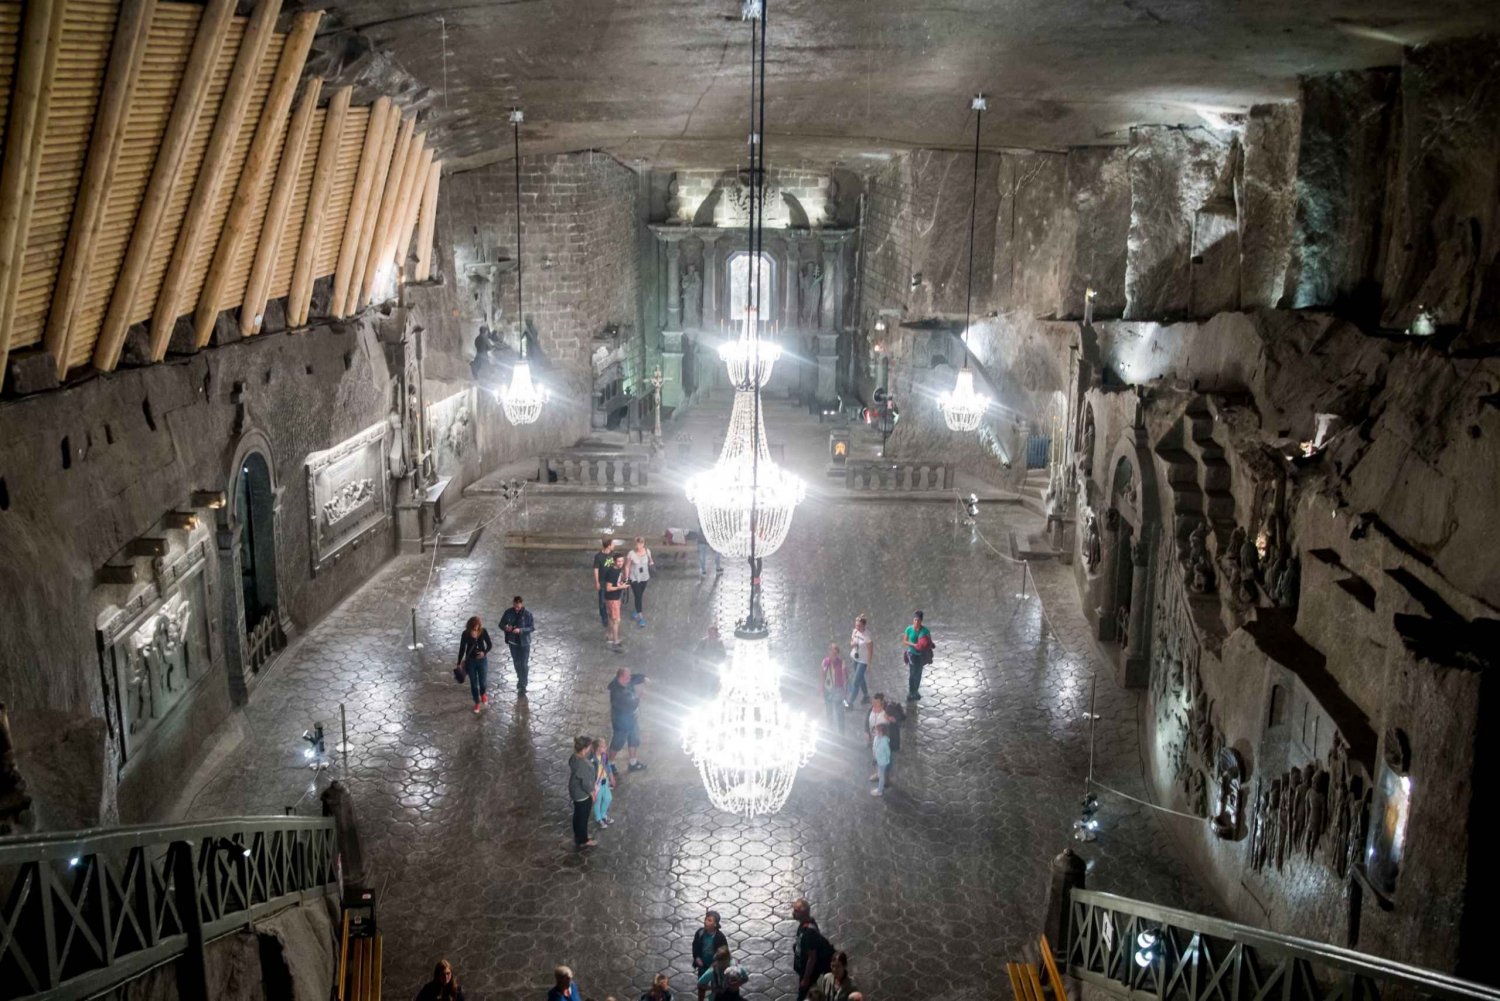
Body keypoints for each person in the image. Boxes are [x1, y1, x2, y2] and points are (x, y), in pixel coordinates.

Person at [790, 898, 833, 1001]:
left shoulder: (809, 932)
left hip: (809, 972)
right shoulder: (805, 924)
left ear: (803, 913)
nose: (793, 913)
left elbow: (812, 958)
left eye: (796, 911)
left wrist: (806, 978)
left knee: (803, 995)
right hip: (805, 969)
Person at [608, 668, 648, 771]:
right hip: (621, 722)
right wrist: (639, 696)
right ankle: (609, 764)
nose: (630, 678)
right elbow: (631, 705)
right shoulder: (617, 692)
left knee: (634, 738)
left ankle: (633, 763)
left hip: (631, 718)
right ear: (622, 677)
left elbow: (634, 678)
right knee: (618, 742)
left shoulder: (625, 681)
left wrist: (643, 678)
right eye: (628, 676)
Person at [498, 595, 534, 698]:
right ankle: (520, 678)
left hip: (525, 643)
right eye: (515, 606)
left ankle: (523, 682)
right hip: (513, 643)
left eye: (518, 606)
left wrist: (521, 630)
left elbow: (531, 628)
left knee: (524, 663)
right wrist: (506, 628)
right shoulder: (508, 612)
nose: (516, 608)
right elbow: (501, 624)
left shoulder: (527, 614)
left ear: (521, 604)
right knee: (517, 662)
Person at [455, 617, 492, 714]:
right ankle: (476, 702)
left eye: (478, 625)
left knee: (482, 681)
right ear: (470, 626)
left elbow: (489, 645)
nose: (476, 628)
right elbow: (462, 648)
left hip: (482, 661)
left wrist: (484, 652)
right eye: (475, 626)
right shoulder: (465, 634)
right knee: (474, 684)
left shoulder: (483, 632)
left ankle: (483, 693)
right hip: (470, 662)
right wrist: (459, 662)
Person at [568, 736, 597, 849]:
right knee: (583, 817)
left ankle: (579, 835)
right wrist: (592, 793)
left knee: (578, 815)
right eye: (589, 747)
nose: (590, 749)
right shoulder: (583, 764)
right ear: (584, 749)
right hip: (582, 794)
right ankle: (583, 840)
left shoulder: (574, 757)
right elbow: (585, 784)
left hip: (574, 790)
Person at [901, 610, 934, 701]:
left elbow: (928, 641)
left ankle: (915, 691)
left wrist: (930, 644)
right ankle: (911, 692)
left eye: (918, 620)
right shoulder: (909, 629)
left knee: (918, 674)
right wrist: (914, 645)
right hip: (912, 653)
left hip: (921, 655)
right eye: (915, 620)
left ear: (921, 621)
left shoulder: (925, 631)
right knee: (912, 673)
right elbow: (904, 641)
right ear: (913, 620)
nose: (916, 622)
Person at [625, 536, 655, 628]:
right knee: (638, 595)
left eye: (641, 543)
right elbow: (627, 566)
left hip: (644, 577)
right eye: (638, 544)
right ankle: (640, 616)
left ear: (643, 544)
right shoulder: (631, 554)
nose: (639, 545)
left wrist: (651, 563)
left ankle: (636, 609)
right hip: (634, 578)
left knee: (639, 595)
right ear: (635, 544)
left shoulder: (647, 551)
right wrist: (626, 579)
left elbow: (651, 561)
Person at [844, 615, 872, 709]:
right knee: (861, 678)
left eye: (859, 626)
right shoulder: (855, 631)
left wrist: (869, 664)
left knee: (856, 682)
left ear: (864, 625)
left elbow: (870, 651)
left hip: (863, 661)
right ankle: (866, 696)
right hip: (854, 658)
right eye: (856, 625)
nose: (857, 627)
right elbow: (851, 643)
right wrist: (854, 644)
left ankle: (850, 702)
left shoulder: (867, 636)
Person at [691, 910, 729, 980]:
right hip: (702, 965)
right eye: (705, 919)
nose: (705, 922)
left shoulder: (720, 937)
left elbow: (725, 953)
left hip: (715, 966)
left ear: (715, 924)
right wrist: (697, 957)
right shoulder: (700, 933)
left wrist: (718, 963)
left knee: (716, 984)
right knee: (701, 984)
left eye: (709, 920)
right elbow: (695, 946)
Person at [601, 553, 629, 648]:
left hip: (612, 598)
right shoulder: (613, 572)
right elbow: (608, 588)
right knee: (616, 620)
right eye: (619, 561)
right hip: (613, 599)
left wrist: (622, 583)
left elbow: (616, 582)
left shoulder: (617, 570)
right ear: (614, 561)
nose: (621, 563)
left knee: (611, 618)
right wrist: (621, 586)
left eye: (622, 561)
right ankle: (616, 641)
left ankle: (609, 636)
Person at [820, 644, 846, 733]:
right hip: (828, 689)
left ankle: (841, 731)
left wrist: (844, 690)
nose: (832, 655)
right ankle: (830, 729)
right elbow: (822, 674)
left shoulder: (841, 662)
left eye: (834, 653)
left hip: (838, 689)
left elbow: (845, 676)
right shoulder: (825, 662)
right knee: (829, 710)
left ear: (837, 654)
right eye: (831, 652)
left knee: (839, 712)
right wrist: (821, 687)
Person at [592, 537, 616, 632]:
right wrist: (597, 582)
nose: (614, 545)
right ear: (609, 545)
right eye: (613, 544)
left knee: (611, 599)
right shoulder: (598, 557)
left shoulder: (613, 554)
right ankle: (604, 616)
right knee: (602, 601)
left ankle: (611, 614)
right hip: (602, 581)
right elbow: (596, 569)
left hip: (611, 581)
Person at [591, 737, 616, 827]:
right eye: (604, 746)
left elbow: (607, 766)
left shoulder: (604, 755)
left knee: (608, 798)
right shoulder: (592, 760)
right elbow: (590, 774)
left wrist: (611, 777)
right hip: (596, 784)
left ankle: (603, 815)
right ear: (598, 748)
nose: (606, 748)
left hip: (605, 782)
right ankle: (599, 818)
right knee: (597, 801)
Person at [871, 724, 892, 796]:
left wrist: (885, 759)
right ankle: (881, 785)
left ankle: (879, 791)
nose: (874, 731)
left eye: (876, 730)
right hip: (877, 760)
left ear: (881, 733)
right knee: (880, 774)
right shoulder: (876, 738)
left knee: (881, 776)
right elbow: (874, 746)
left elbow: (888, 752)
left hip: (882, 762)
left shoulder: (884, 742)